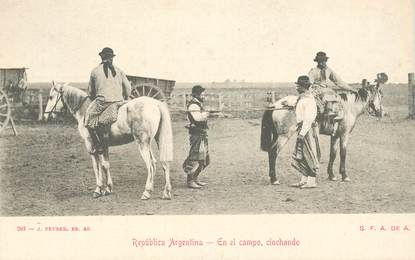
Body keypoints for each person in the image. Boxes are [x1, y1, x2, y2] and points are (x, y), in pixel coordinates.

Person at [84, 47, 132, 153]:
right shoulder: (119, 70)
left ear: (102, 57)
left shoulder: (95, 71)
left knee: (88, 119)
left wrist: (94, 98)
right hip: (120, 101)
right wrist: (124, 97)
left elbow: (91, 91)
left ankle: (98, 144)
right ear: (112, 58)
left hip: (103, 102)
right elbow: (128, 88)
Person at [308, 51, 354, 135]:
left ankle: (334, 117)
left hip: (326, 90)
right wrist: (311, 91)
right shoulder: (313, 71)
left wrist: (350, 88)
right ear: (317, 62)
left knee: (336, 97)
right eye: (321, 61)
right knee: (320, 101)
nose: (323, 63)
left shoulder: (328, 70)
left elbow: (338, 81)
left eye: (324, 61)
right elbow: (309, 84)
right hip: (316, 90)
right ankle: (318, 120)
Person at [291, 76, 321, 188]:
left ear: (303, 87)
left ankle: (312, 181)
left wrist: (302, 133)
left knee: (309, 153)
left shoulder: (309, 100)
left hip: (307, 130)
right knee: (302, 154)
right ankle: (304, 179)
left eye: (298, 86)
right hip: (302, 128)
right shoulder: (302, 98)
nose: (297, 87)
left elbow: (308, 118)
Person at [182, 85, 210, 189]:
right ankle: (190, 181)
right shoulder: (193, 105)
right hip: (196, 134)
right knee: (195, 156)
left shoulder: (198, 104)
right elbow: (197, 119)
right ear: (197, 95)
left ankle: (195, 178)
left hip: (201, 133)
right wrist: (205, 114)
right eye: (203, 95)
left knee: (204, 159)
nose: (204, 96)